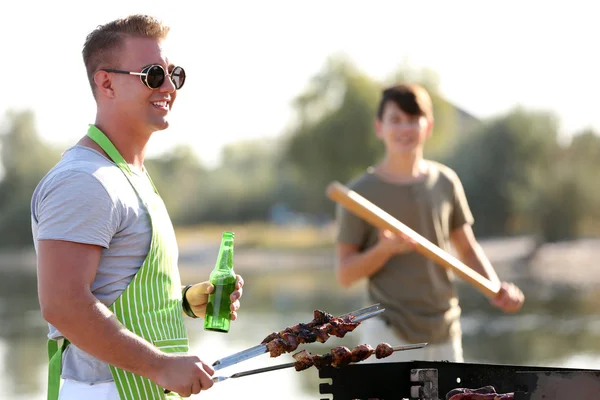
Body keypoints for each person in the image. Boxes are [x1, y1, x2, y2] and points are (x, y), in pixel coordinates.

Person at [30, 14, 244, 400]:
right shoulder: (85, 180)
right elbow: (63, 305)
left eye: (173, 74)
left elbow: (111, 288)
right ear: (106, 82)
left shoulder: (129, 175)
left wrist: (182, 301)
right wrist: (162, 366)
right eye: (152, 75)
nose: (168, 87)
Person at [334, 84, 524, 363]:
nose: (404, 129)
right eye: (395, 120)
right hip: (387, 334)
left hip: (445, 329)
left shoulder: (446, 182)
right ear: (379, 127)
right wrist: (384, 250)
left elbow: (467, 250)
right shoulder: (358, 194)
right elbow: (345, 275)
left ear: (428, 126)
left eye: (413, 120)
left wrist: (496, 290)